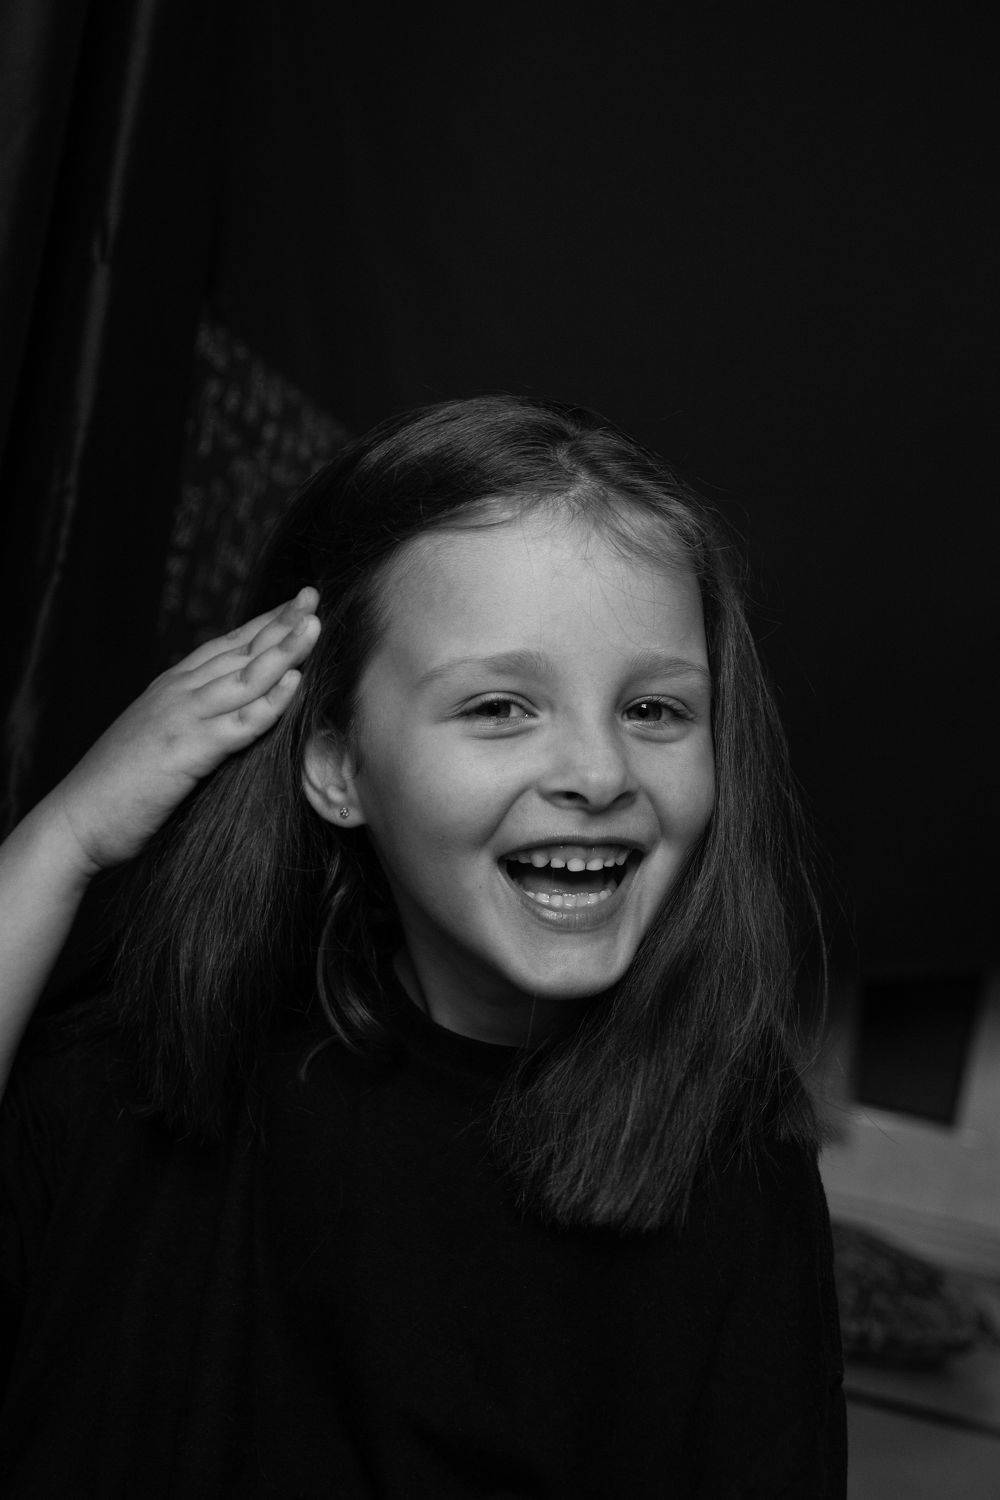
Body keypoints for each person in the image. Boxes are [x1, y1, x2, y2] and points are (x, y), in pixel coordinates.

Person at [0, 395, 846, 1496]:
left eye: (653, 711)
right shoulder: (149, 1073)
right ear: (338, 767)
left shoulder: (738, 1175)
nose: (599, 773)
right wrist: (60, 843)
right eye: (499, 707)